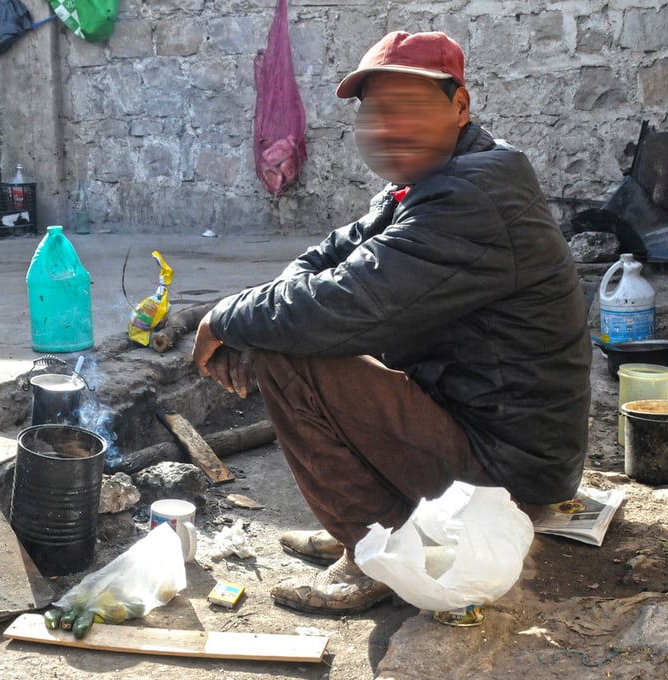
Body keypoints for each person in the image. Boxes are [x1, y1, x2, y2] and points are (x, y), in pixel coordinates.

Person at [192, 30, 591, 615]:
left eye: (410, 108)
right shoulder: (431, 179)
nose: (390, 128)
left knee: (288, 349)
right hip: (484, 432)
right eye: (377, 112)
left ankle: (372, 548)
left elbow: (344, 305)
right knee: (281, 323)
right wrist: (252, 310)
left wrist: (225, 318)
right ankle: (381, 517)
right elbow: (325, 257)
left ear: (460, 107)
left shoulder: (473, 193)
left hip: (508, 470)